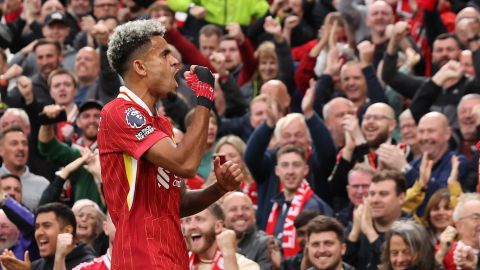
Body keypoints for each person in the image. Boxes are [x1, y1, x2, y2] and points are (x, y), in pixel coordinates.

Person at [99, 19, 243, 269]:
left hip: (172, 253)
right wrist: (204, 101)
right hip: (141, 255)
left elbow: (177, 203)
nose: (176, 61)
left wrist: (219, 188)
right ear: (140, 67)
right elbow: (185, 164)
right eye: (165, 54)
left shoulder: (162, 124)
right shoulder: (119, 112)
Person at [266, 145, 333, 258]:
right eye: (285, 165)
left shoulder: (315, 206)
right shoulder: (276, 206)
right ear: (277, 171)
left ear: (305, 170)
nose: (290, 171)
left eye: (296, 165)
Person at [345, 169, 409, 270]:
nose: (375, 200)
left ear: (401, 198)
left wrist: (370, 232)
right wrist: (355, 233)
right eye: (371, 194)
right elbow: (341, 265)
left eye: (383, 194)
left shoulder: (413, 232)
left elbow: (393, 265)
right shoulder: (355, 227)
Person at [0, 202, 95, 269]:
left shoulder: (89, 265)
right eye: (37, 227)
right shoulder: (36, 266)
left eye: (46, 226)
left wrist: (59, 259)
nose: (39, 232)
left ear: (67, 230)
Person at [183, 203, 260, 270]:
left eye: (199, 219)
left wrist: (228, 254)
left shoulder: (245, 265)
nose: (191, 226)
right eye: (187, 221)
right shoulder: (180, 264)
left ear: (218, 226)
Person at [0, 126, 49, 211]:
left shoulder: (42, 185)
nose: (21, 148)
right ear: (1, 150)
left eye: (24, 144)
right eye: (14, 143)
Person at [222, 192, 270, 269]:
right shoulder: (215, 244)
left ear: (254, 214)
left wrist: (231, 250)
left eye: (245, 208)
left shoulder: (266, 244)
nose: (240, 213)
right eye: (233, 209)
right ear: (222, 218)